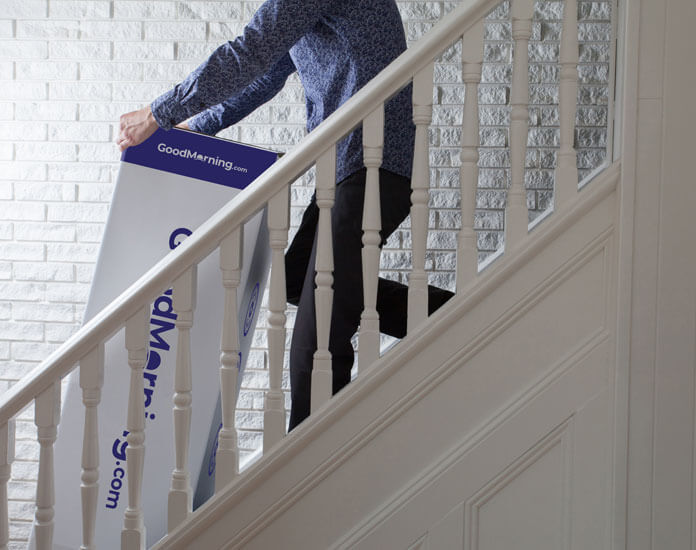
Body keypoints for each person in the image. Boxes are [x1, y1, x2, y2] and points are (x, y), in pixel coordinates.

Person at [116, 0, 453, 431]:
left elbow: (248, 52)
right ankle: (452, 312)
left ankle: (308, 463)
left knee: (318, 341)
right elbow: (263, 75)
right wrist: (192, 129)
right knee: (298, 279)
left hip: (373, 165)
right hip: (350, 168)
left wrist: (158, 113)